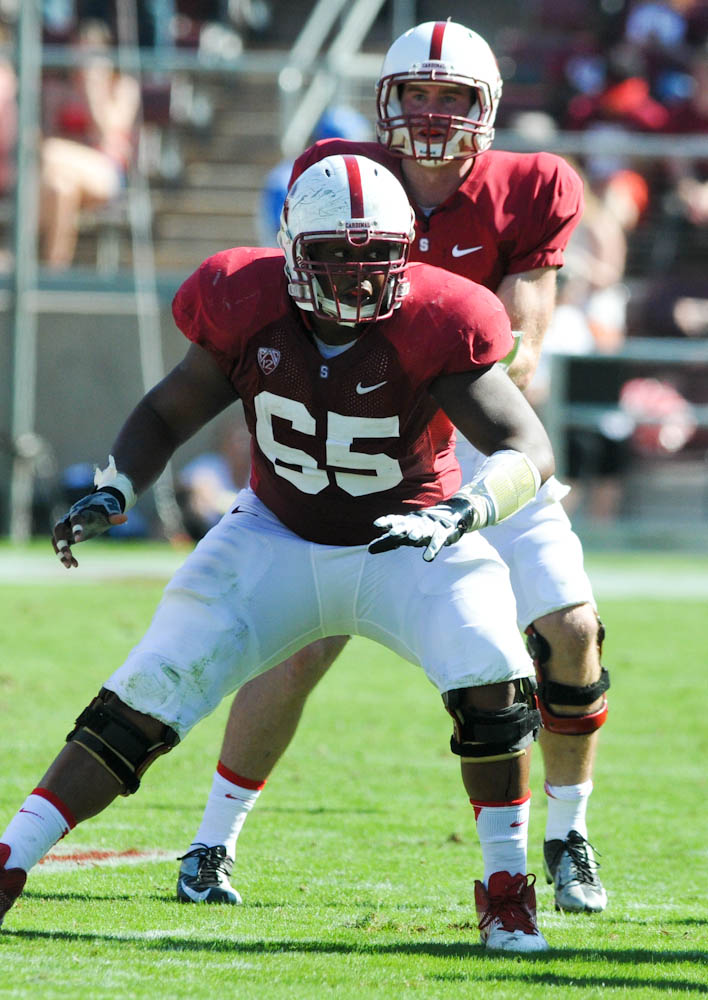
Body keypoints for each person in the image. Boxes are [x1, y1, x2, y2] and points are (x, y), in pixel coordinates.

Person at [0, 154, 554, 953]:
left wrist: (468, 509)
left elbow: (525, 443)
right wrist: (114, 488)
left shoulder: (441, 316)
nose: (357, 276)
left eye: (375, 255)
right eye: (334, 253)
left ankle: (506, 892)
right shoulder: (242, 300)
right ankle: (11, 860)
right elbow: (165, 411)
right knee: (147, 691)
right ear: (293, 248)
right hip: (275, 534)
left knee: (492, 672)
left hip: (410, 537)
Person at [176, 21, 610, 917]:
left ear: (486, 109)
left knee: (569, 630)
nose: (434, 112)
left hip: (481, 444)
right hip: (374, 447)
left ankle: (567, 837)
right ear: (388, 98)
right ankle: (211, 843)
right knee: (300, 642)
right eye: (418, 93)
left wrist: (432, 352)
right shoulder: (337, 172)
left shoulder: (532, 185)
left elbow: (518, 357)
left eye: (453, 97)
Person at [39, 19, 141, 270]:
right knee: (61, 187)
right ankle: (54, 272)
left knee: (49, 153)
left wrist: (93, 91)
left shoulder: (123, 87)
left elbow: (107, 136)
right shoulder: (57, 89)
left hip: (105, 172)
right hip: (60, 173)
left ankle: (11, 252)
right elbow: (45, 133)